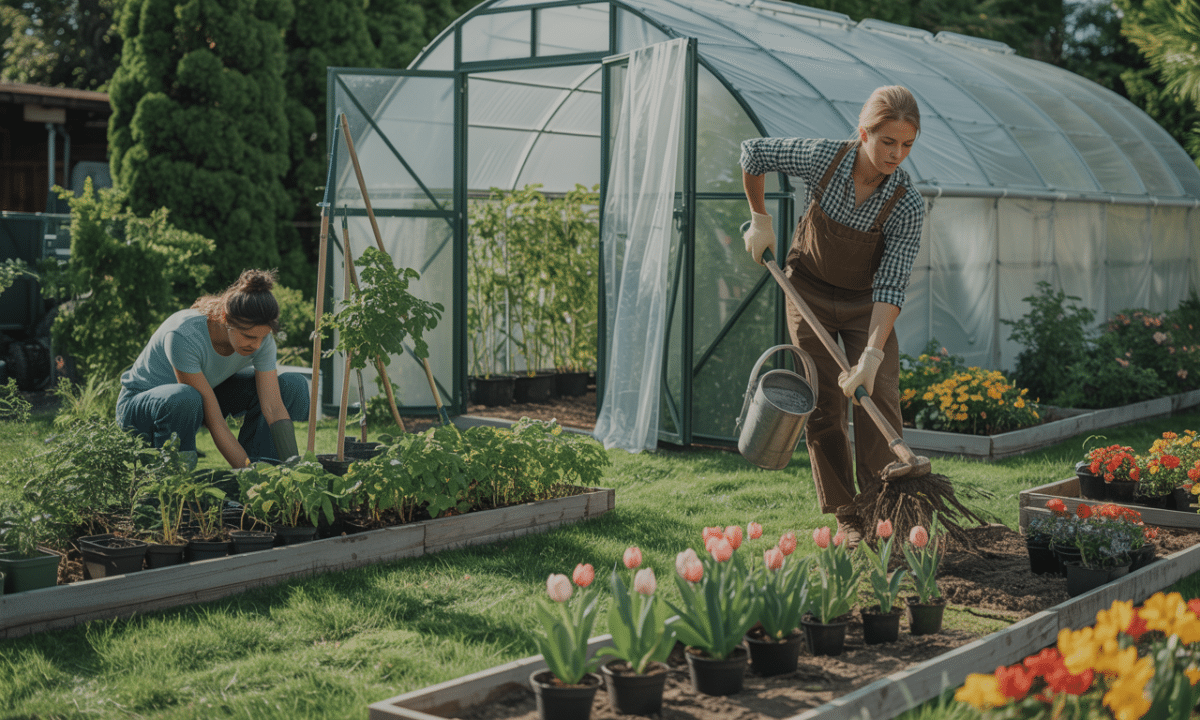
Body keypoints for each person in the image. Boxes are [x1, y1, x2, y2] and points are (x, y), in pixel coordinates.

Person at [739, 85, 925, 548]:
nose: (896, 155)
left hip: (867, 303)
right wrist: (759, 218)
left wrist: (871, 356)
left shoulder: (907, 203)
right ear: (863, 132)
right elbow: (753, 153)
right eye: (887, 142)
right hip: (808, 292)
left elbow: (891, 284)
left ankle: (884, 510)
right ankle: (848, 514)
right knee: (824, 404)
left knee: (877, 395)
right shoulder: (824, 158)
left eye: (907, 145)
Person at [116, 269, 308, 469]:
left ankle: (272, 478)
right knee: (185, 397)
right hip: (141, 409)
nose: (257, 345)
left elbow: (274, 408)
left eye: (263, 337)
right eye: (250, 337)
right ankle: (176, 490)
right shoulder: (184, 334)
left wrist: (294, 471)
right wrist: (247, 471)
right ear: (226, 318)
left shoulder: (261, 341)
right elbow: (215, 421)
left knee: (291, 384)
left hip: (197, 399)